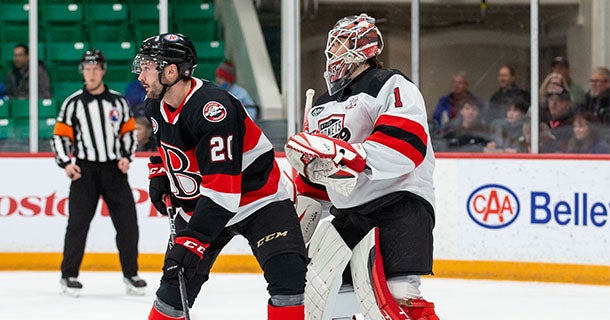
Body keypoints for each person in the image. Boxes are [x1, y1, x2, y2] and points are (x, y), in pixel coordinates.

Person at [133, 33, 307, 320]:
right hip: (201, 206)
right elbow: (168, 145)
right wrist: (159, 172)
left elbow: (223, 192)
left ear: (171, 71)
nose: (141, 74)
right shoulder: (156, 102)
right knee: (172, 294)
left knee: (288, 277)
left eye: (148, 66)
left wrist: (191, 242)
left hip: (258, 200)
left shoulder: (213, 110)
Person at [285, 14, 439, 319]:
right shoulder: (322, 106)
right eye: (333, 44)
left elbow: (407, 145)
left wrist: (346, 155)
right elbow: (322, 179)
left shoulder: (390, 84)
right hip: (349, 214)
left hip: (398, 204)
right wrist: (306, 192)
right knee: (321, 300)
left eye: (342, 43)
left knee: (398, 299)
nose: (334, 52)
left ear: (365, 48)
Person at [50, 50, 146, 296]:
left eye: (95, 68)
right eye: (87, 68)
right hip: (85, 171)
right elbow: (60, 136)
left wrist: (127, 157)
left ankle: (131, 274)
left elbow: (127, 133)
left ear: (103, 70)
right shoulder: (73, 103)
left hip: (114, 170)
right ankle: (68, 275)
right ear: (82, 71)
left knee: (127, 224)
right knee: (78, 225)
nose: (91, 73)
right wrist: (65, 163)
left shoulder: (118, 101)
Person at [546, 87, 575, 152]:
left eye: (558, 100)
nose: (553, 104)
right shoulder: (543, 120)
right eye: (551, 99)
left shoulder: (573, 123)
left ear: (568, 104)